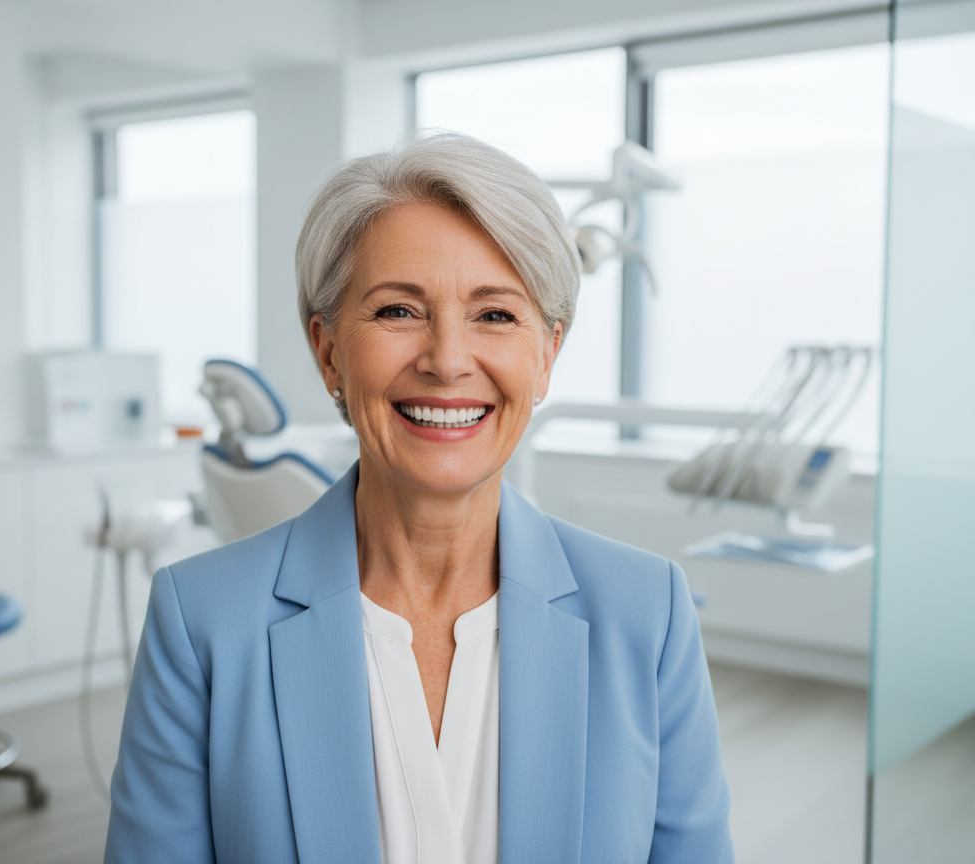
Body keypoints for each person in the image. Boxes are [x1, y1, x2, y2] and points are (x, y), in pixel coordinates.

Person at [104, 132, 733, 864]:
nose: (447, 360)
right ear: (329, 350)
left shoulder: (647, 613)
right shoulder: (201, 623)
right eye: (398, 311)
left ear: (546, 355)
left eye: (495, 314)